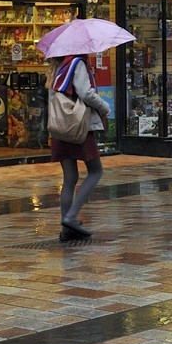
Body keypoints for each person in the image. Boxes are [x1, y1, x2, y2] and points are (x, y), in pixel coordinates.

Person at [50, 52, 114, 241]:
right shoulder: (77, 64)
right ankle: (70, 217)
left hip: (62, 127)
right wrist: (104, 107)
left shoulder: (58, 66)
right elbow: (85, 93)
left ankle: (67, 230)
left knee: (70, 177)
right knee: (96, 171)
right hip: (78, 127)